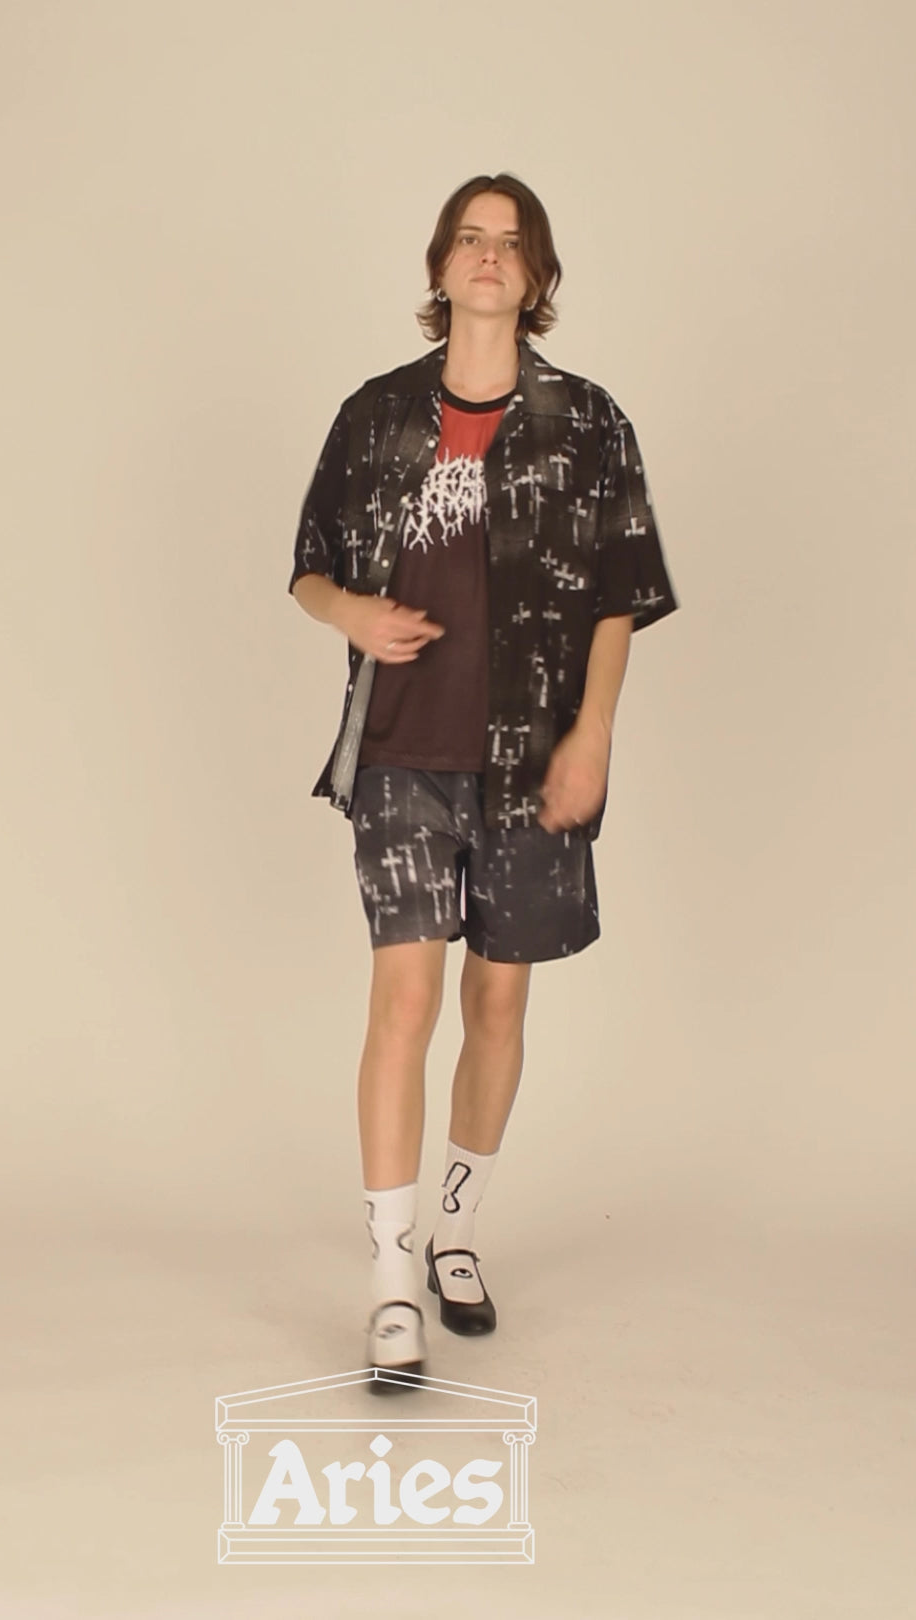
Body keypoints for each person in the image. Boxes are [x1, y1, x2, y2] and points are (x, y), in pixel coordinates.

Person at [288, 172, 679, 1391]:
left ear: (538, 275)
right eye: (471, 237)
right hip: (402, 752)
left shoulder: (588, 422)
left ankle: (456, 1233)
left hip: (531, 762)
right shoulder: (375, 415)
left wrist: (593, 734)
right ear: (441, 265)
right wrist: (351, 612)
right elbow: (308, 566)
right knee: (402, 1004)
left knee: (497, 1006)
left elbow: (620, 591)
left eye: (513, 242)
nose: (490, 255)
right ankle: (389, 1282)